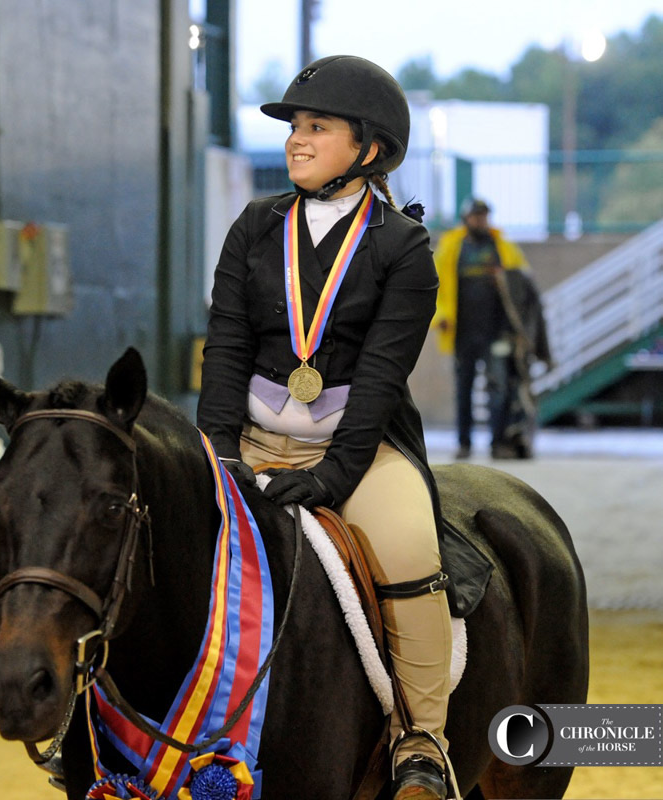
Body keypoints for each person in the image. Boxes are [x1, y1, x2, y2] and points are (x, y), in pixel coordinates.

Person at [198, 55, 451, 800]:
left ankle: (423, 738)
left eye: (317, 127)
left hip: (357, 451)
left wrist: (335, 476)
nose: (297, 141)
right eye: (294, 128)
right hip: (247, 439)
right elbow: (228, 345)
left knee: (409, 551)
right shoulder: (254, 226)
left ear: (367, 149)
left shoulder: (404, 251)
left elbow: (378, 379)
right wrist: (215, 451)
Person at [432, 197, 548, 459]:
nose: (480, 220)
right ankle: (464, 444)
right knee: (464, 389)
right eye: (476, 216)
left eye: (484, 216)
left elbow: (523, 284)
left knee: (500, 389)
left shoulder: (504, 248)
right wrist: (440, 316)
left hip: (496, 334)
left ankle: (498, 443)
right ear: (466, 219)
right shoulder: (450, 249)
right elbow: (435, 287)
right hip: (462, 334)